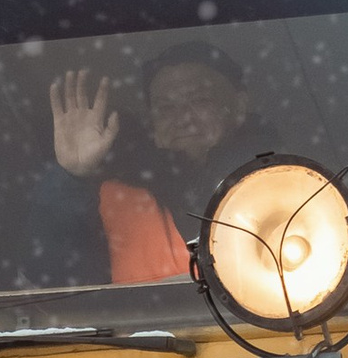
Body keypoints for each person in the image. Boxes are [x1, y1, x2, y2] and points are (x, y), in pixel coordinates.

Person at [27, 43, 257, 289]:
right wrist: (71, 176)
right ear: (153, 125)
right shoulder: (114, 200)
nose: (183, 118)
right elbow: (49, 284)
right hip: (149, 329)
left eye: (199, 101)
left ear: (239, 107)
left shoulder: (287, 183)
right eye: (166, 108)